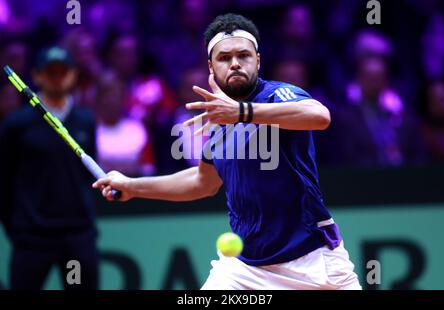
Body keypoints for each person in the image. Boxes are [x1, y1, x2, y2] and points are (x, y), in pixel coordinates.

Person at [93, 14, 361, 290]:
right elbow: (202, 182)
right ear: (211, 67)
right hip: (244, 269)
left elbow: (319, 115)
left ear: (258, 60)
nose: (234, 63)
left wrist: (242, 112)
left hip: (313, 263)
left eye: (243, 55)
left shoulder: (277, 95)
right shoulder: (220, 123)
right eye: (224, 58)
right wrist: (132, 186)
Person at [0, 46, 99, 290]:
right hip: (32, 239)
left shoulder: (85, 121)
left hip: (78, 237)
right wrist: (18, 230)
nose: (58, 78)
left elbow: (87, 179)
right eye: (51, 72)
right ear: (36, 76)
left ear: (74, 75)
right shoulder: (17, 124)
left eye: (63, 72)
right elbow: (4, 183)